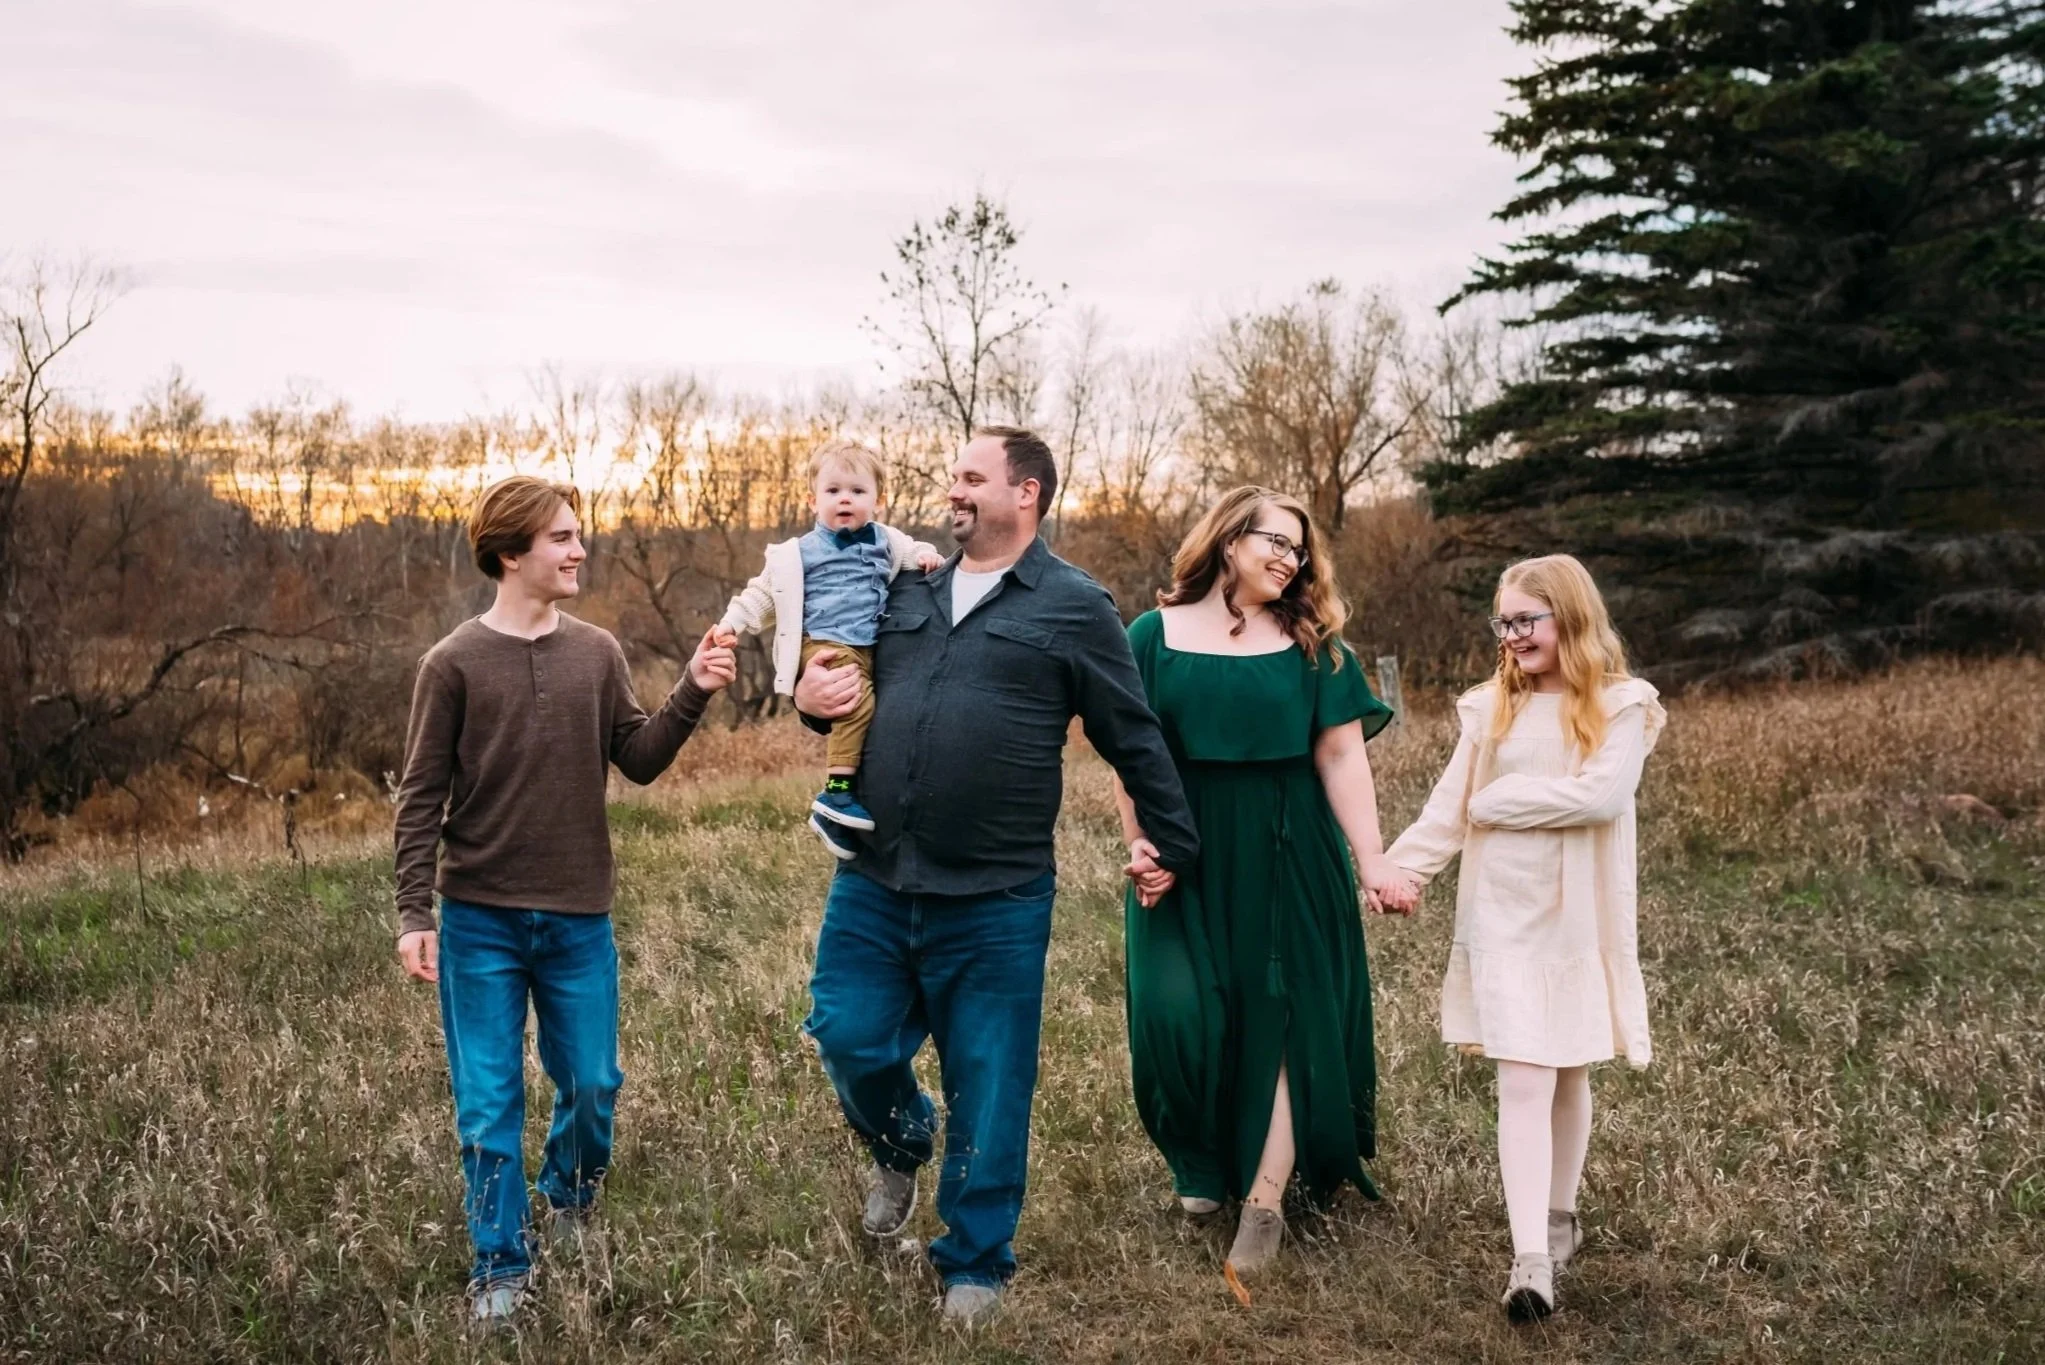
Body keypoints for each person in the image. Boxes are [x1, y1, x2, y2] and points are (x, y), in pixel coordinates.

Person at [792, 425, 1199, 1325]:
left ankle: (974, 1258)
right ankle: (902, 1138)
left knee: (991, 1076)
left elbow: (1131, 733)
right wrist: (806, 698)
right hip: (874, 874)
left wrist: (1173, 843)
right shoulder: (906, 587)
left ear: (1028, 494)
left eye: (972, 478)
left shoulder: (1073, 603)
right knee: (846, 1035)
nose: (953, 491)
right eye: (951, 476)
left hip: (996, 893)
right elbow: (836, 676)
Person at [391, 475, 738, 1331]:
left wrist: (692, 685)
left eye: (578, 534)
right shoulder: (452, 664)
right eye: (561, 538)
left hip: (580, 916)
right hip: (479, 920)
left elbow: (641, 757)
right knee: (488, 1101)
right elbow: (420, 797)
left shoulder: (597, 652)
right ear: (512, 553)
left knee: (591, 1082)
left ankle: (570, 1196)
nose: (579, 549)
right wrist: (414, 913)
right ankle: (500, 1262)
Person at [1113, 486, 1415, 1299]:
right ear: (1225, 538)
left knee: (1280, 1015)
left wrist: (1372, 858)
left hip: (1288, 845)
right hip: (1185, 845)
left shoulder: (1313, 643)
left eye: (1298, 549)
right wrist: (1143, 844)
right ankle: (1202, 1157)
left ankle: (1264, 1203)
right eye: (1274, 541)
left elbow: (1342, 758)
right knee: (1176, 1013)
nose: (1290, 558)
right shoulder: (1150, 636)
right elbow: (1133, 757)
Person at [1384, 553, 1666, 1323]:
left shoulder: (1623, 702)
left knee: (1568, 1071)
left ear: (1568, 616)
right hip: (1502, 914)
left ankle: (1558, 1214)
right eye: (1501, 622)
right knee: (1523, 1078)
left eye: (1524, 620)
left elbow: (1601, 796)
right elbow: (1450, 808)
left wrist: (1503, 798)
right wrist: (1397, 872)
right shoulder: (1489, 707)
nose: (1510, 636)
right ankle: (1530, 1262)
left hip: (1577, 916)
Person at [716, 439, 942, 858]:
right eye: (833, 490)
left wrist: (927, 556)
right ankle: (834, 794)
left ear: (878, 500)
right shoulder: (798, 553)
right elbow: (762, 595)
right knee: (858, 703)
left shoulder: (885, 540)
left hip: (868, 645)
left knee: (874, 714)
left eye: (857, 492)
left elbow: (914, 551)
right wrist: (731, 625)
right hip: (823, 644)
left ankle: (843, 811)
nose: (845, 499)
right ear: (812, 499)